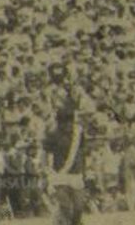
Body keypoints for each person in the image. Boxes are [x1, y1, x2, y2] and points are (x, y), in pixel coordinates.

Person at [43, 94, 86, 225]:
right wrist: (49, 173)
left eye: (70, 121)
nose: (68, 125)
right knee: (66, 207)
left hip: (75, 173)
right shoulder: (52, 135)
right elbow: (46, 155)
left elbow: (80, 152)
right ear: (59, 123)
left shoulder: (78, 133)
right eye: (65, 122)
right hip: (59, 174)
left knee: (79, 208)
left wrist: (84, 169)